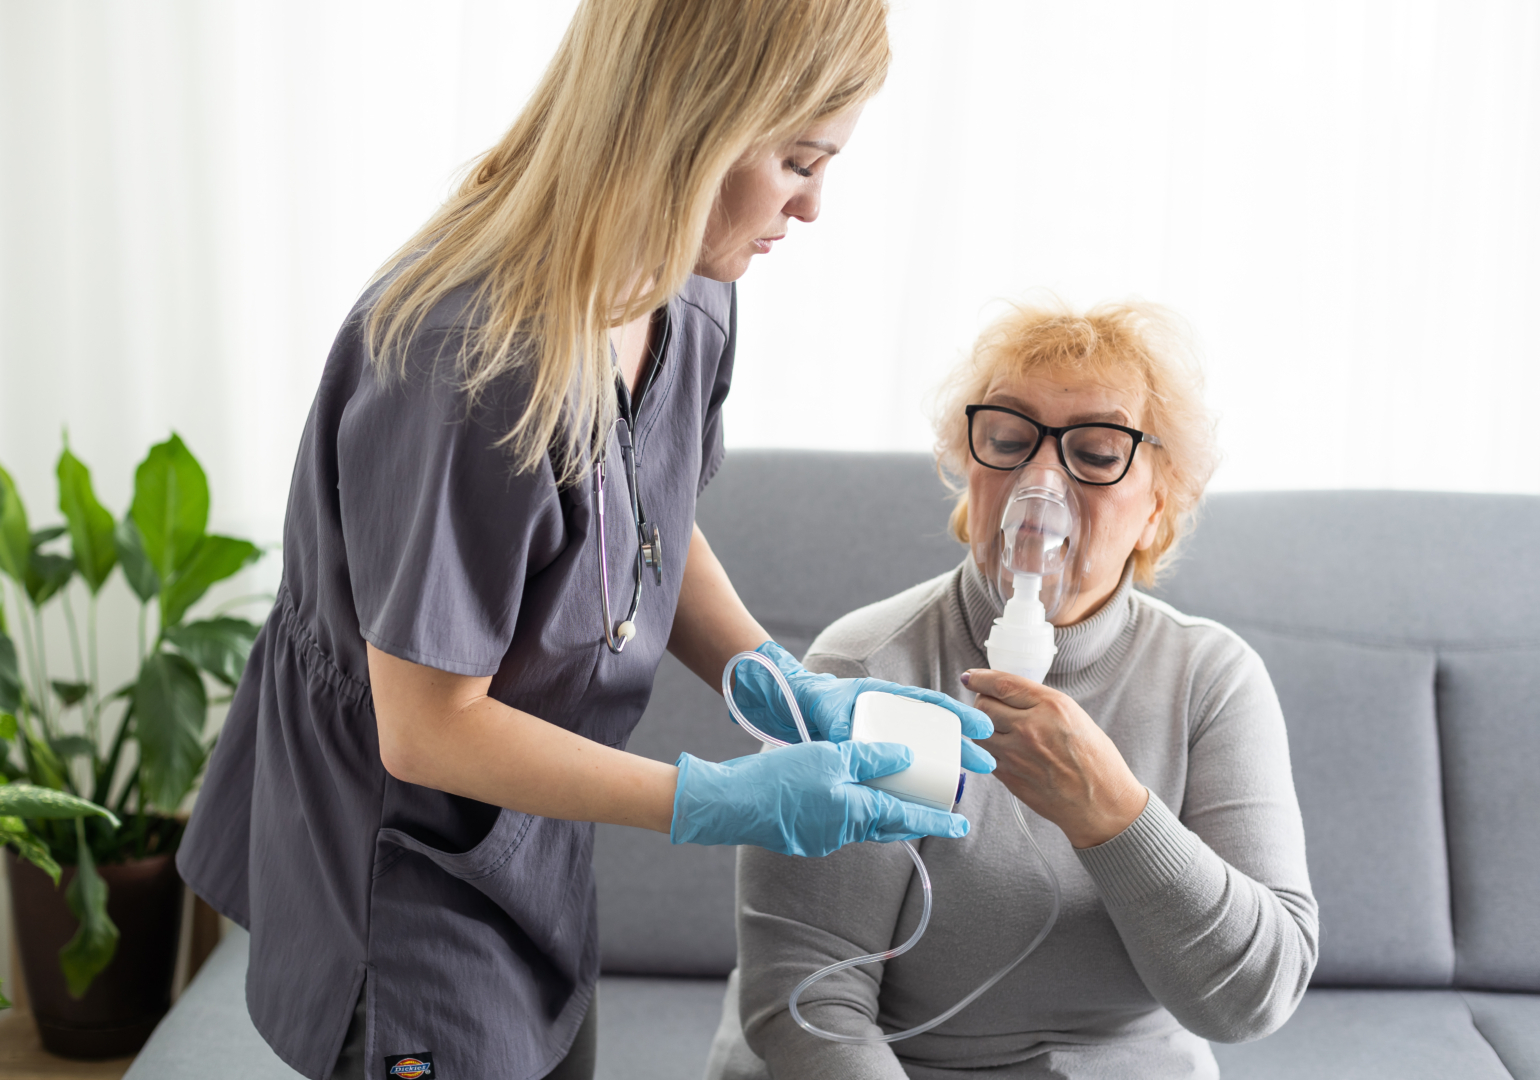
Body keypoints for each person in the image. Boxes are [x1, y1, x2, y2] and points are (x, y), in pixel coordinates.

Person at [174, 4, 998, 1079]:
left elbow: (646, 510)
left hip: (534, 839)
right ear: (694, 123)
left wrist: (767, 673)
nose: (813, 205)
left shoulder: (689, 283)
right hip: (404, 870)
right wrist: (708, 798)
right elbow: (424, 730)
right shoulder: (464, 358)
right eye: (799, 160)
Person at [708, 301, 1319, 1079]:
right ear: (970, 473)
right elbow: (809, 1000)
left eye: (1096, 453)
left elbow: (1252, 1000)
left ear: (1160, 506)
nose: (1040, 483)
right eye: (1007, 440)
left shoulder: (1209, 683)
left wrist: (1114, 814)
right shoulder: (871, 671)